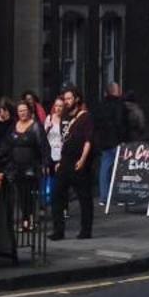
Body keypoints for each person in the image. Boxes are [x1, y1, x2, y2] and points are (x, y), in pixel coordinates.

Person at [0, 96, 47, 232]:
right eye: (20, 111)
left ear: (29, 111)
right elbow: (6, 144)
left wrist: (45, 163)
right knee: (21, 195)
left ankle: (32, 219)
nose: (22, 113)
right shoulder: (14, 126)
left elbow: (43, 146)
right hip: (16, 166)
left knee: (30, 194)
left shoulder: (36, 127)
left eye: (24, 110)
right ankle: (25, 220)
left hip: (31, 165)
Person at [51, 85, 95, 240]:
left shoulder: (85, 117)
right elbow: (64, 140)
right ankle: (58, 230)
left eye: (69, 98)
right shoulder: (64, 116)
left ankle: (86, 230)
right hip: (65, 161)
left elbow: (88, 141)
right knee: (57, 194)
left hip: (79, 162)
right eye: (65, 99)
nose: (66, 101)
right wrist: (60, 160)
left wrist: (83, 160)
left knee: (84, 197)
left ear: (77, 99)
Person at [94, 83, 129, 206]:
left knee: (105, 168)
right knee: (120, 169)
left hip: (104, 141)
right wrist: (124, 138)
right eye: (119, 89)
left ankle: (104, 197)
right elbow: (121, 123)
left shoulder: (100, 105)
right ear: (115, 91)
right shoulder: (120, 105)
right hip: (117, 140)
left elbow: (96, 123)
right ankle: (119, 196)